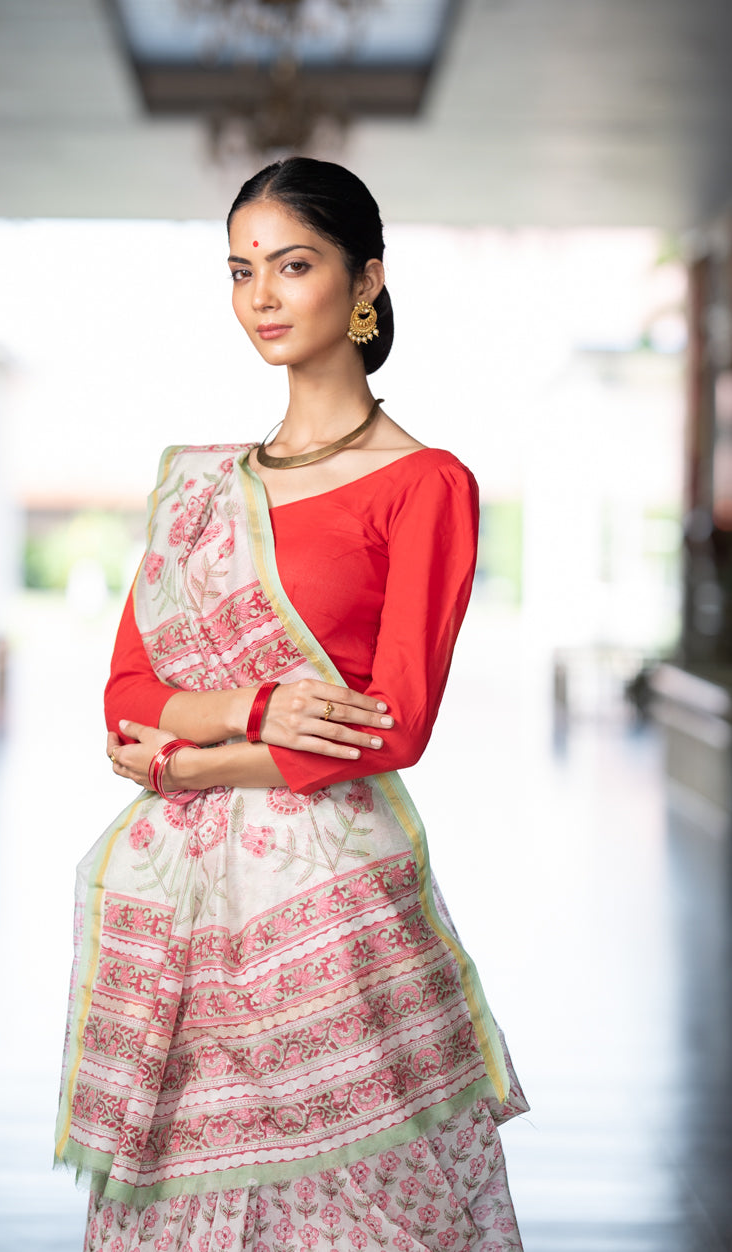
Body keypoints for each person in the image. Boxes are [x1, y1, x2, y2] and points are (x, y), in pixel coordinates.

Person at [54, 158, 528, 1251]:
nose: (260, 296)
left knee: (371, 1216)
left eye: (293, 264)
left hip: (335, 914)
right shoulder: (201, 487)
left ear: (364, 281)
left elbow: (391, 722)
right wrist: (256, 706)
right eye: (239, 270)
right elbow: (128, 695)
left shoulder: (423, 484)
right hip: (186, 918)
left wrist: (189, 759)